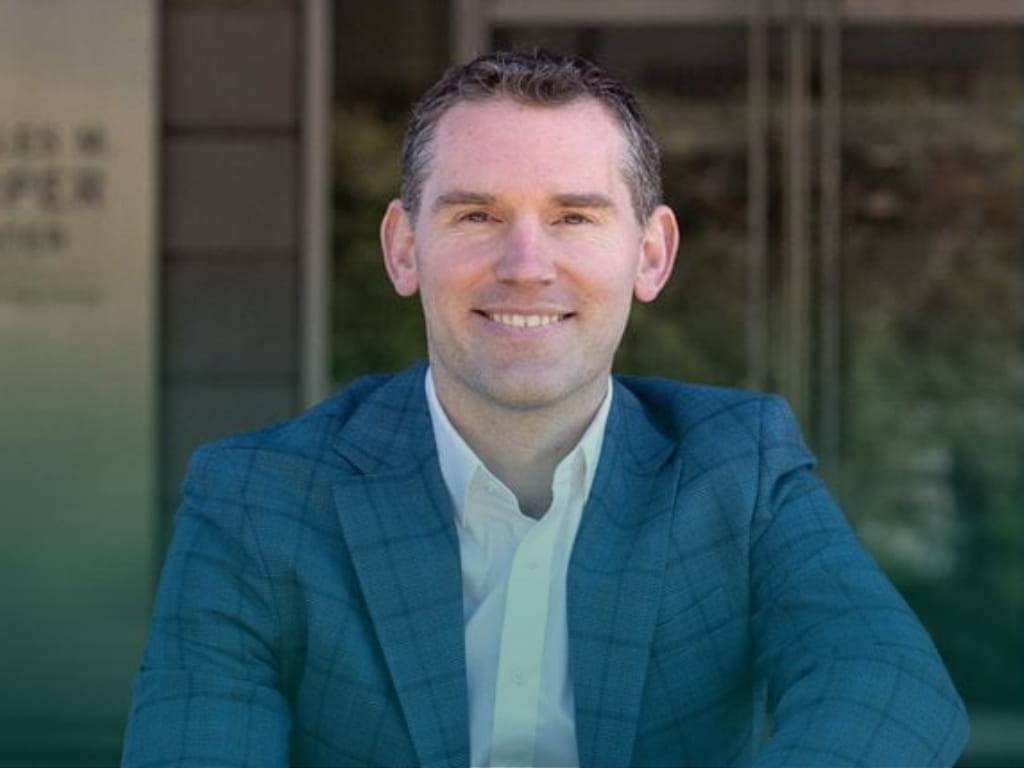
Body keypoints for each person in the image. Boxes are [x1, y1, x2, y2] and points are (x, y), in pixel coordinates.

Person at [123, 49, 968, 768]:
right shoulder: (257, 497)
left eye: (572, 216)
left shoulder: (735, 466)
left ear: (650, 254)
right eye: (477, 214)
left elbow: (889, 683)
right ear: (404, 248)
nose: (526, 265)